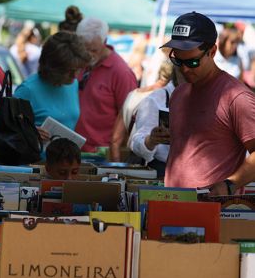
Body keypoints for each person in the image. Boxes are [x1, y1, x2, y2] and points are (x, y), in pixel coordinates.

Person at [161, 11, 255, 196]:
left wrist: (230, 185)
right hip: (171, 205)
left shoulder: (236, 97)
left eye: (193, 61)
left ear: (212, 51)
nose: (185, 69)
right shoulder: (179, 94)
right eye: (178, 60)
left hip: (213, 213)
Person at [14, 31, 92, 144]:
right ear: (53, 68)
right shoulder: (27, 90)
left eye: (79, 69)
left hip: (63, 159)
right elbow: (6, 132)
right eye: (69, 71)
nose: (75, 76)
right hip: (33, 160)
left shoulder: (72, 84)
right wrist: (28, 133)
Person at [75, 17, 138, 152]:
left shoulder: (121, 72)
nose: (88, 55)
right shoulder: (80, 63)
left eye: (93, 50)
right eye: (83, 49)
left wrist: (115, 153)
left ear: (104, 42)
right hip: (73, 148)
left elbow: (129, 120)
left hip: (100, 154)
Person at [109, 60, 173, 162]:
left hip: (135, 161)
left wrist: (116, 165)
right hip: (151, 164)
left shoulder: (133, 94)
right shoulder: (158, 98)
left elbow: (115, 139)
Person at [130, 67, 184, 178]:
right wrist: (151, 140)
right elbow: (137, 142)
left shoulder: (209, 97)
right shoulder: (155, 100)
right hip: (164, 171)